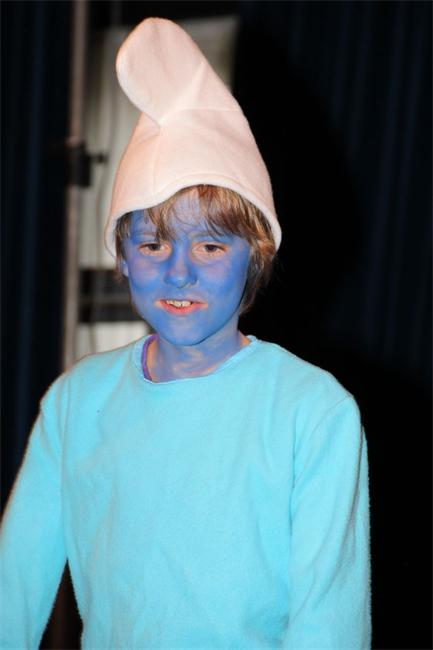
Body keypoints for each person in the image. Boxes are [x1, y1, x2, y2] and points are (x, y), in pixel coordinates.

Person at [0, 17, 371, 649]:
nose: (179, 271)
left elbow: (328, 624)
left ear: (255, 256)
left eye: (210, 245)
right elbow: (13, 588)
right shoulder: (75, 403)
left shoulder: (313, 412)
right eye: (152, 243)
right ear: (122, 257)